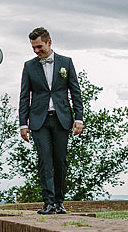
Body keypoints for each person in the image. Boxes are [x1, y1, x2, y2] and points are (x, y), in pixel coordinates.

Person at [19, 27, 84, 215]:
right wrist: (23, 124)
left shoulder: (66, 63)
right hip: (38, 121)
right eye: (33, 48)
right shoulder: (29, 66)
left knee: (60, 161)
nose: (36, 51)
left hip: (61, 119)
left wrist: (78, 118)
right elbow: (24, 96)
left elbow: (75, 92)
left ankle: (59, 202)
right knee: (44, 161)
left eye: (39, 47)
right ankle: (48, 202)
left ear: (49, 42)